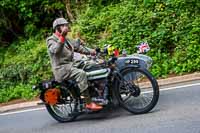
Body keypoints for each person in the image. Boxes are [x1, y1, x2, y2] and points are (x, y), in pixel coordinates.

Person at [46, 18, 102, 111]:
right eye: (63, 26)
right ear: (57, 28)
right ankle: (88, 103)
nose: (66, 28)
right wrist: (62, 37)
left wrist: (94, 52)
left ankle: (98, 92)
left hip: (71, 64)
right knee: (81, 74)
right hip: (62, 68)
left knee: (92, 64)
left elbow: (79, 48)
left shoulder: (67, 39)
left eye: (66, 26)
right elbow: (55, 51)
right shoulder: (51, 40)